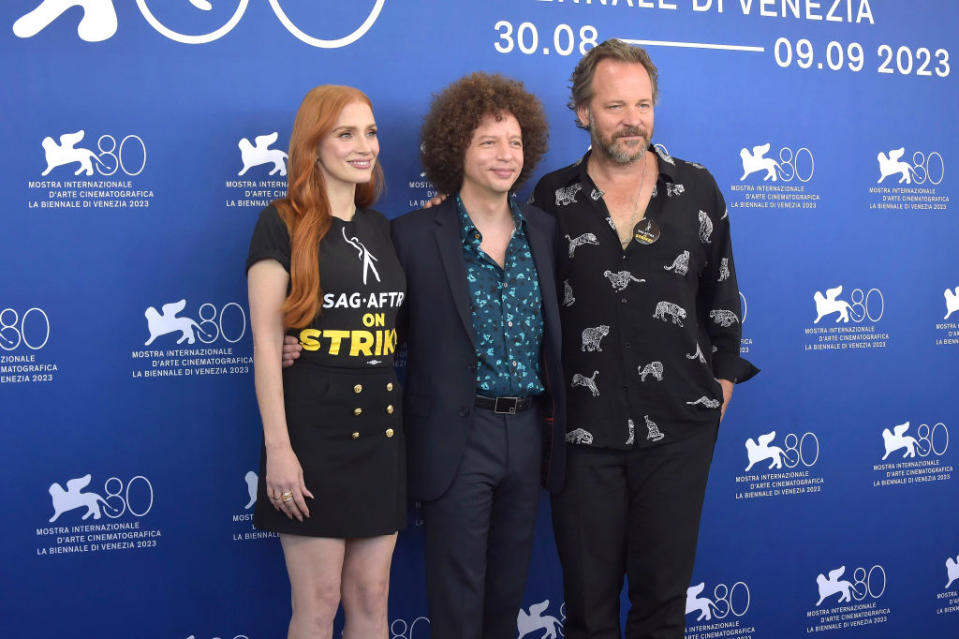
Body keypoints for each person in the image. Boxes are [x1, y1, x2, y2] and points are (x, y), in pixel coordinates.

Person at [529, 39, 759, 638]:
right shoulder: (550, 201)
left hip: (681, 431)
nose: (632, 119)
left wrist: (722, 385)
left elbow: (724, 298)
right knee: (587, 608)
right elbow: (518, 302)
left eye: (643, 103)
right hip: (581, 434)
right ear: (582, 112)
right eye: (614, 106)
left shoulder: (698, 189)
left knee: (662, 608)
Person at [393, 72, 566, 639]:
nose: (505, 155)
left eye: (514, 142)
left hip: (527, 436)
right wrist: (302, 342)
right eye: (488, 141)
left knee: (506, 599)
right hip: (457, 437)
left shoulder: (544, 231)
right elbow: (374, 324)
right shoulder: (415, 235)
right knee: (457, 602)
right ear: (455, 149)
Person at [246, 85, 406, 639]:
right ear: (313, 145)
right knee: (318, 602)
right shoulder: (281, 223)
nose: (364, 146)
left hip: (382, 439)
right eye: (346, 134)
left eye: (371, 132)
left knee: (373, 597)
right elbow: (267, 344)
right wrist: (279, 451)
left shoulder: (385, 230)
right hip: (312, 439)